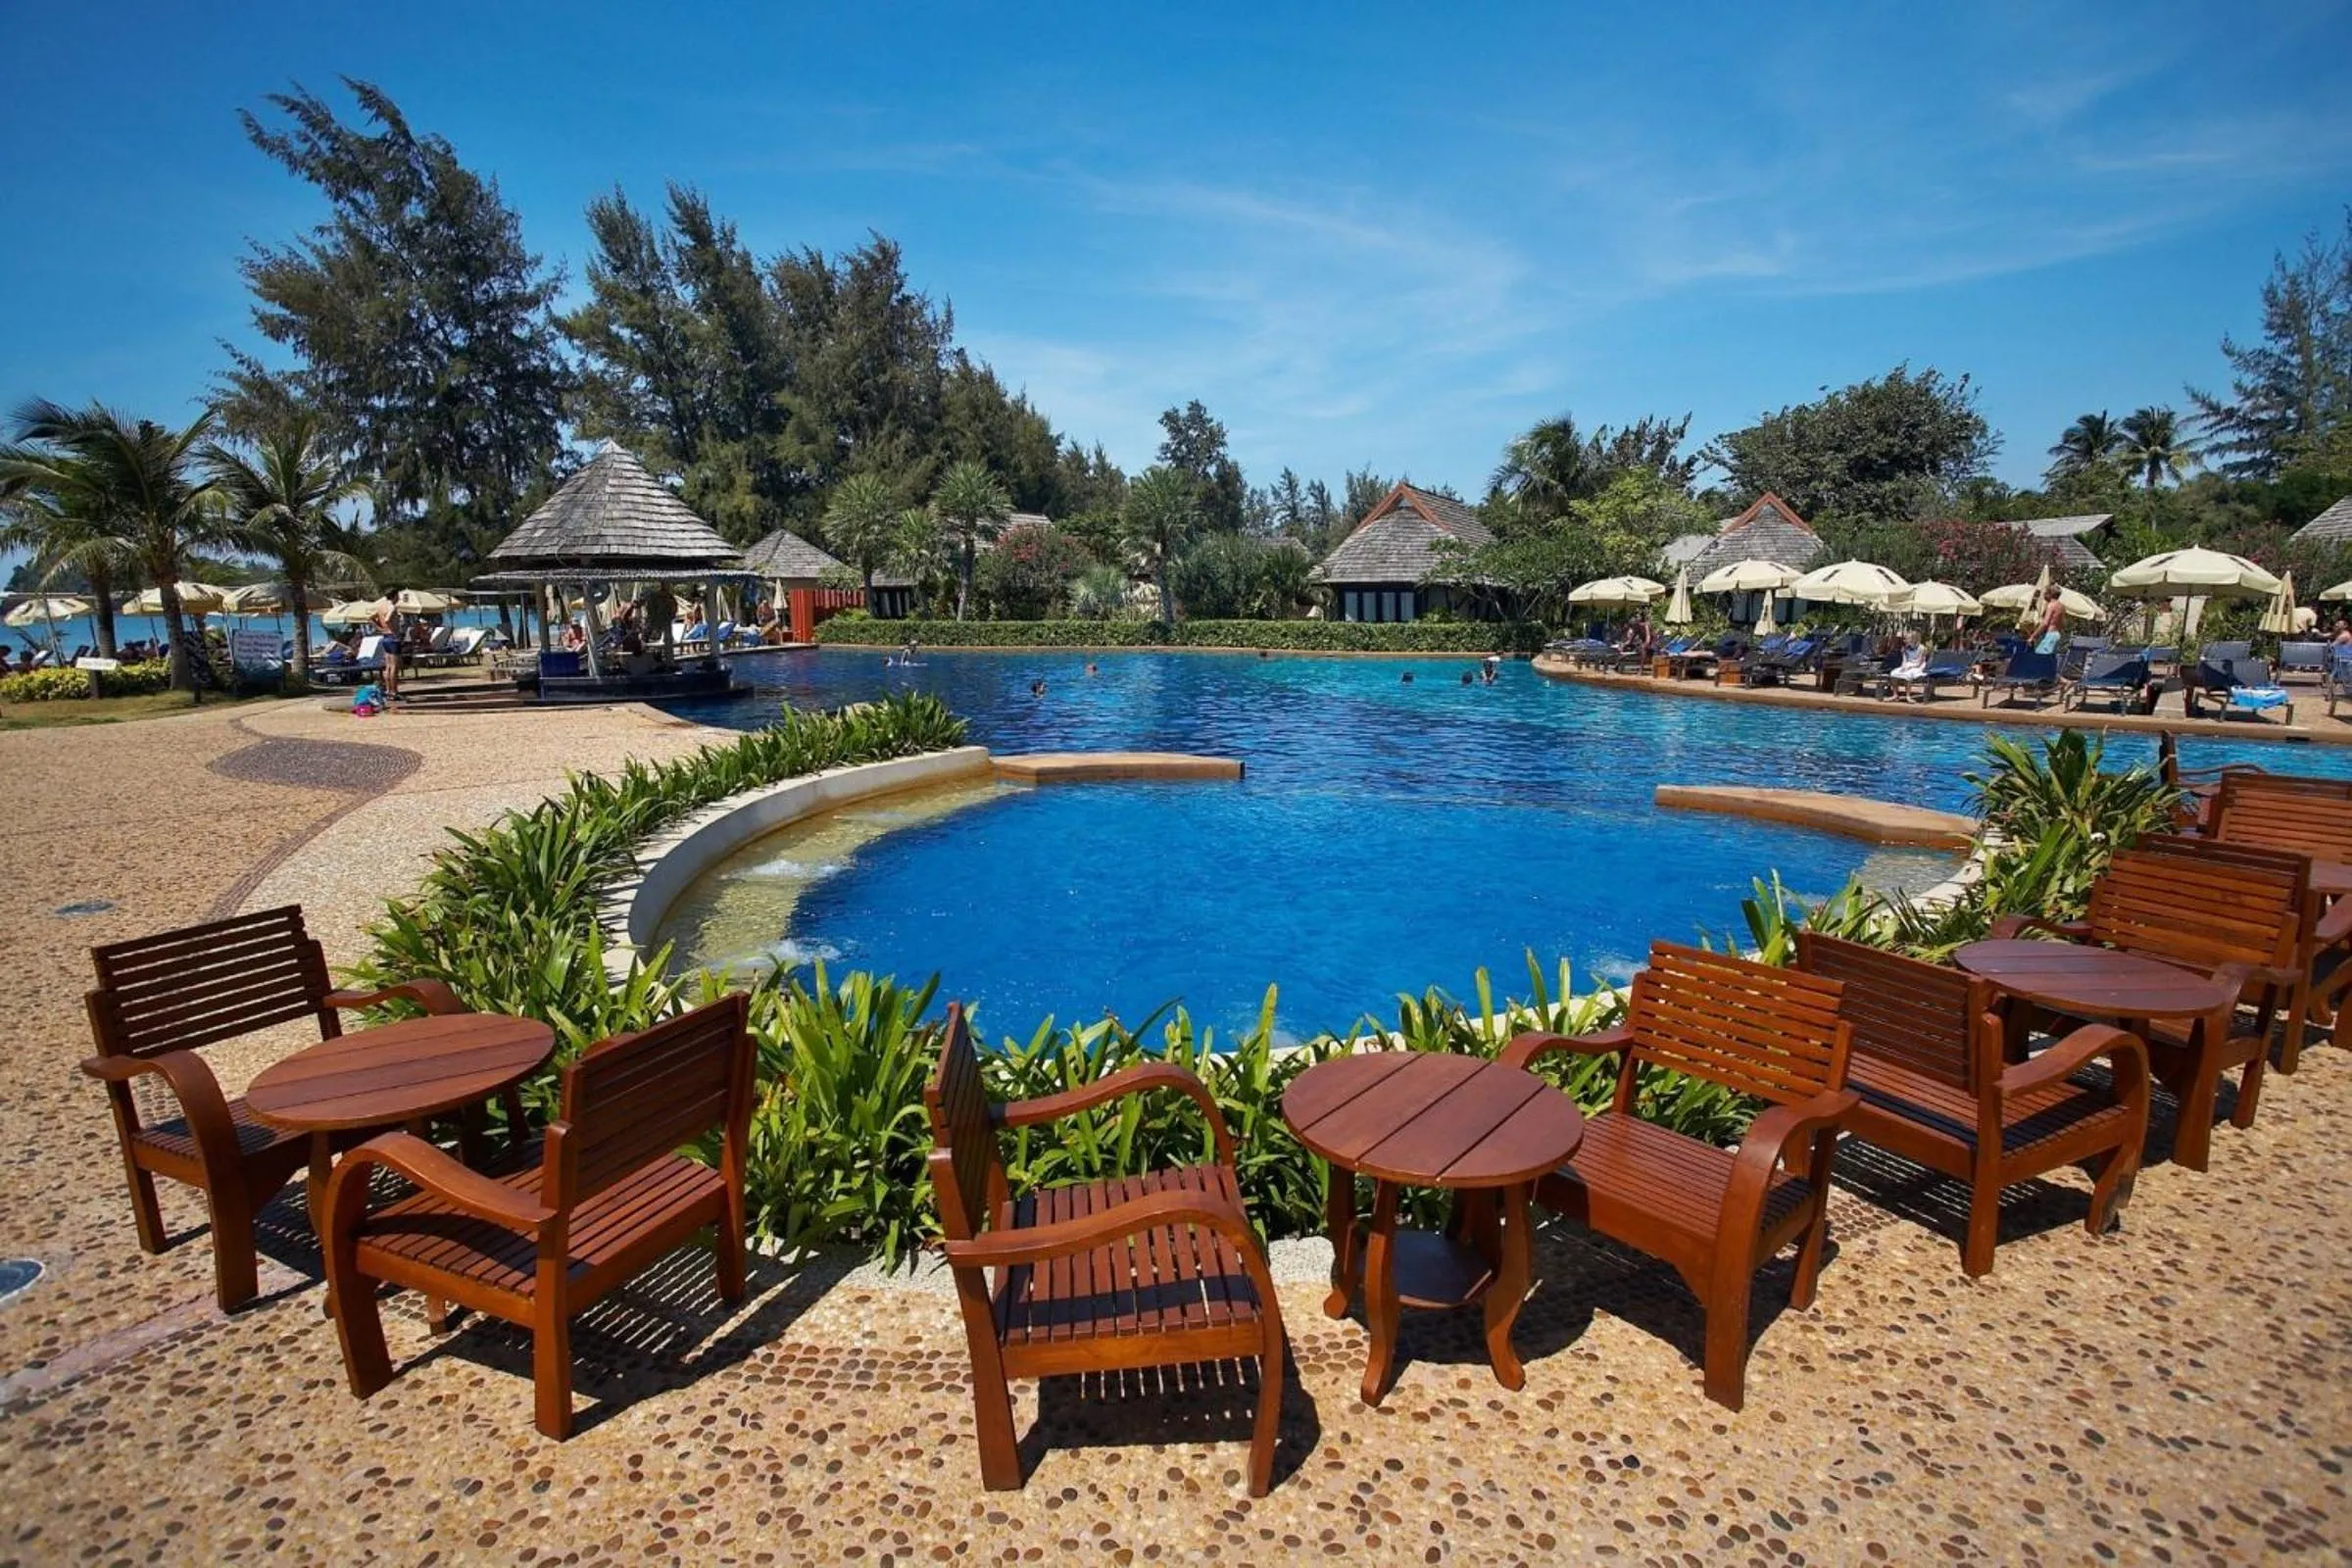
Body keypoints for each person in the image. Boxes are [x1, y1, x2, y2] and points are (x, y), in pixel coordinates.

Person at [372, 590, 405, 705]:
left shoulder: (381, 607)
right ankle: (393, 692)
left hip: (385, 637)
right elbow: (387, 619)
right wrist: (394, 631)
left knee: (388, 666)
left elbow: (372, 618)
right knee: (394, 666)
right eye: (398, 595)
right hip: (392, 638)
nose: (399, 597)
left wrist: (381, 629)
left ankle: (388, 691)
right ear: (394, 596)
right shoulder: (392, 607)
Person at [2033, 586, 2066, 655]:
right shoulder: (2062, 606)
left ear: (2050, 594)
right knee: (2048, 660)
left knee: (2040, 658)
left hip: (2049, 635)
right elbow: (2062, 623)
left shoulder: (2051, 605)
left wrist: (2033, 636)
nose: (2044, 595)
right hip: (2056, 635)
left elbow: (2045, 623)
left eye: (2045, 593)